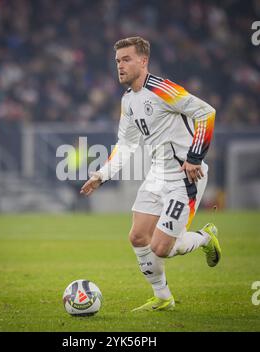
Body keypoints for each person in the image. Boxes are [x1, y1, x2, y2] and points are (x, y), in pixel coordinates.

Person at [80, 36, 221, 312]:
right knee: (137, 237)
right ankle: (163, 297)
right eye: (118, 61)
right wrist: (101, 174)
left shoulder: (163, 89)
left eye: (127, 59)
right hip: (158, 175)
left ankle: (205, 237)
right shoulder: (128, 100)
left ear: (143, 61)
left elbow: (206, 113)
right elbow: (127, 144)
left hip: (184, 177)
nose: (120, 66)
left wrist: (194, 157)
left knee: (162, 248)